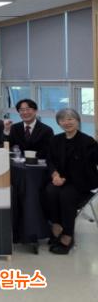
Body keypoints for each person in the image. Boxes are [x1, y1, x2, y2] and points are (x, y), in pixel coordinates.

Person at [45, 108, 98, 254]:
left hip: (81, 182)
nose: (66, 122)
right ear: (59, 123)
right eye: (62, 120)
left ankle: (68, 235)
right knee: (50, 191)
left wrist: (64, 179)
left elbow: (88, 165)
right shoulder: (55, 140)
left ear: (77, 121)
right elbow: (50, 160)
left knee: (66, 195)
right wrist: (55, 175)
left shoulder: (88, 141)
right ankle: (57, 225)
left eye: (70, 119)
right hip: (60, 179)